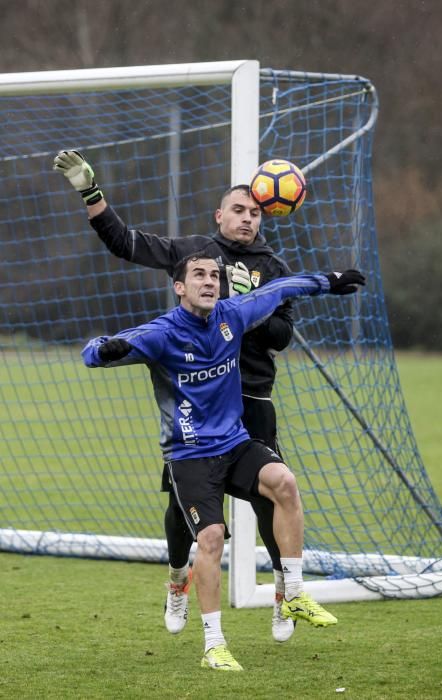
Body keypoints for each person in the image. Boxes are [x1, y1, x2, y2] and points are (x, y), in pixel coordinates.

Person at [53, 150, 298, 643]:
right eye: (238, 210)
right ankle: (176, 580)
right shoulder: (194, 254)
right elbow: (124, 243)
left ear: (268, 213)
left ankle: (283, 595)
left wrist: (246, 307)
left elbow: (281, 335)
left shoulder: (274, 268)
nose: (247, 219)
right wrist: (89, 191)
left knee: (273, 494)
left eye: (254, 213)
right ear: (220, 216)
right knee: (182, 501)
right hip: (195, 399)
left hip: (252, 397)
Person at [81, 252, 365, 671]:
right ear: (180, 287)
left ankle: (295, 594)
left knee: (283, 482)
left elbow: (280, 289)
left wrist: (328, 280)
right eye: (199, 275)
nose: (210, 281)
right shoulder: (162, 334)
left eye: (214, 275)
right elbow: (92, 353)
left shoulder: (232, 314)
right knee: (210, 536)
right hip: (189, 455)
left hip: (235, 445)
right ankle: (213, 644)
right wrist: (106, 350)